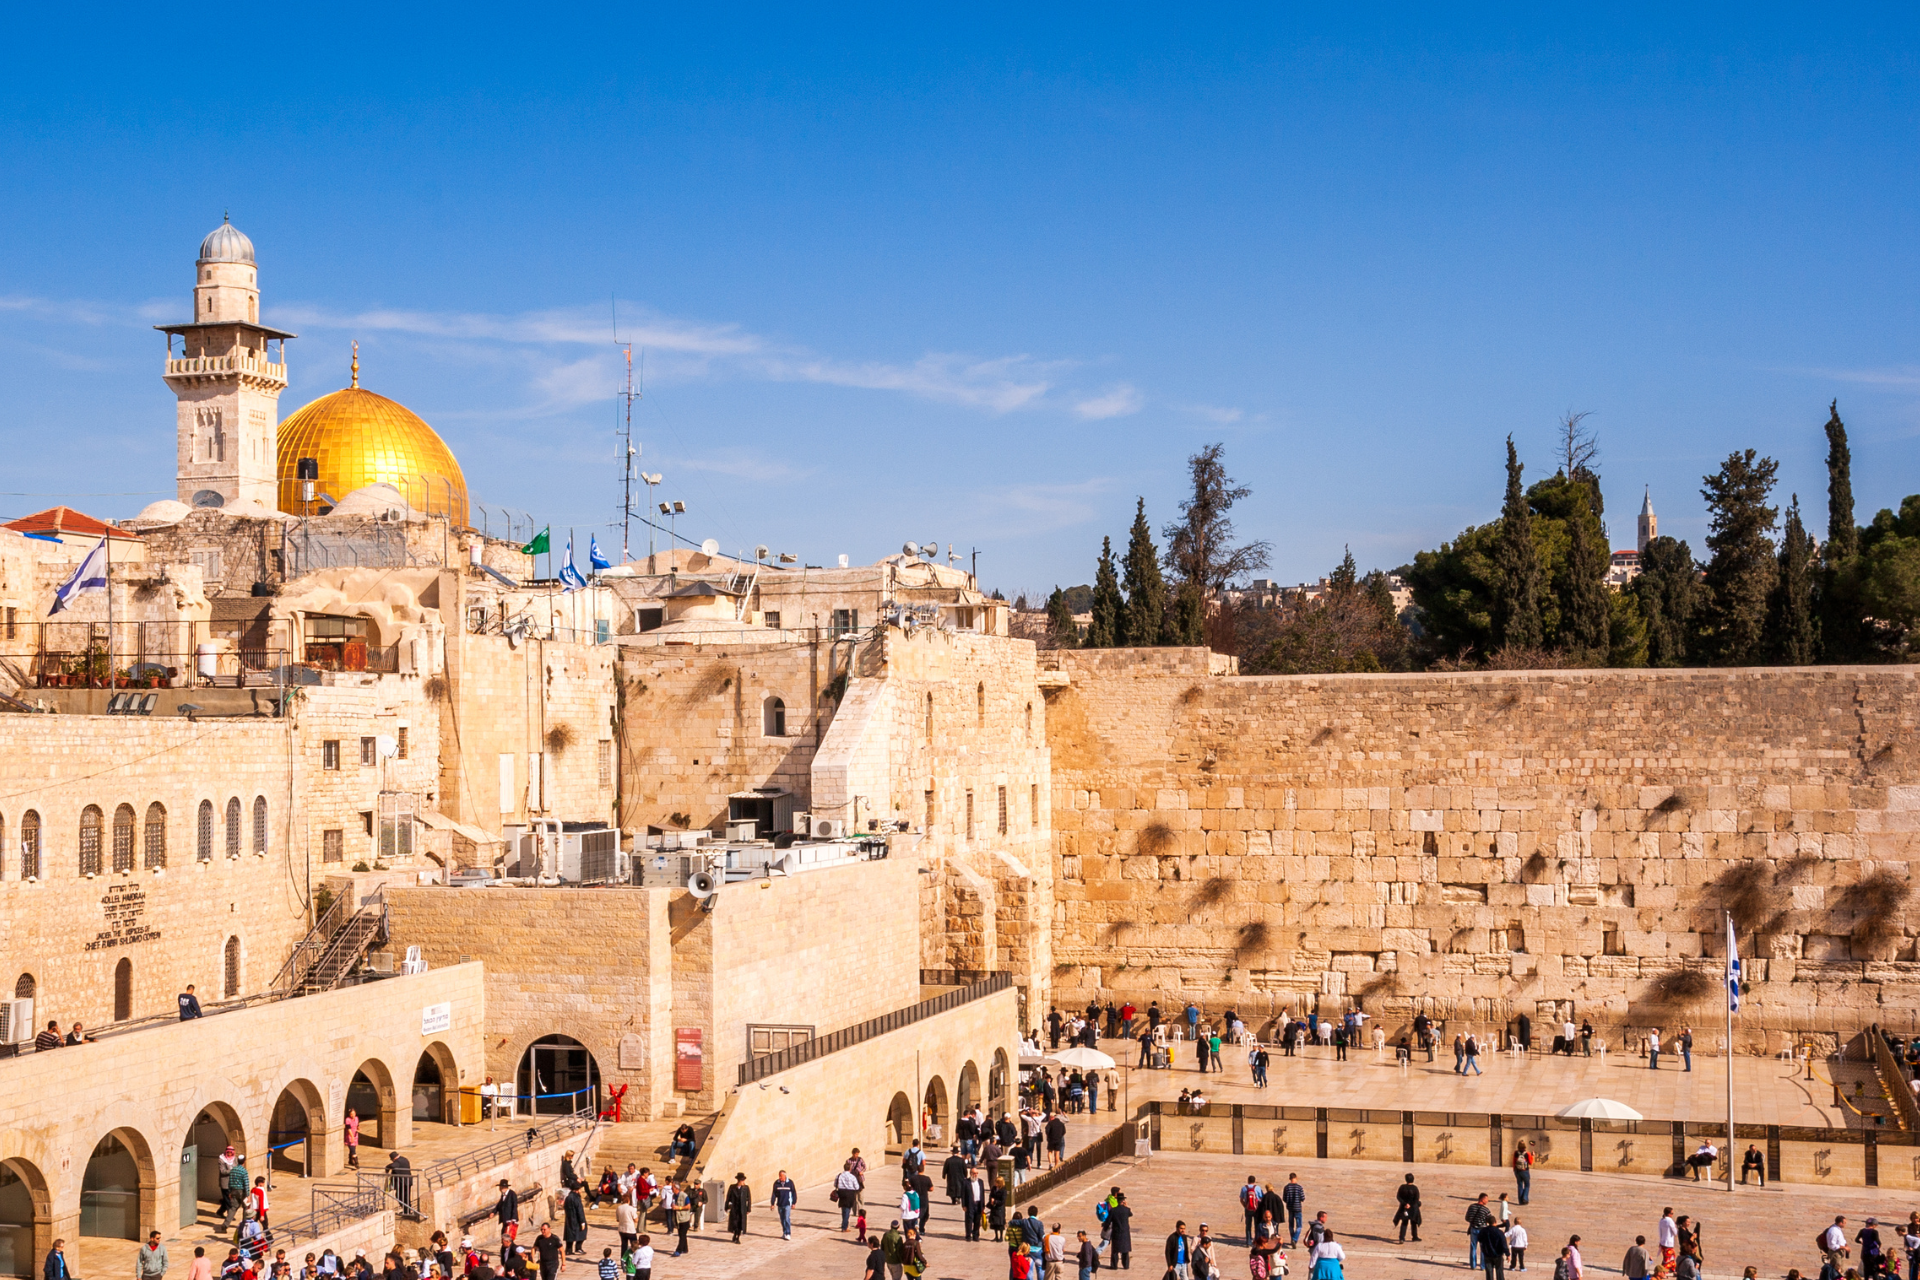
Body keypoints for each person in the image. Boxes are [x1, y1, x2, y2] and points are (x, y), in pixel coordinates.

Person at [1106, 1192, 1134, 1271]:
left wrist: (1105, 1228)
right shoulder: (1126, 1210)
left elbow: (1108, 1221)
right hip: (1125, 1233)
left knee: (1115, 1250)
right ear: (1123, 1201)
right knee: (1125, 1250)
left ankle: (1114, 1265)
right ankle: (1126, 1265)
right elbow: (1130, 1214)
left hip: (1116, 1232)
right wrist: (1126, 1206)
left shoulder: (1113, 1210)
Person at [1466, 1194, 1495, 1271]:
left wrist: (1474, 1222)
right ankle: (1482, 1266)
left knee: (1473, 1246)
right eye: (1487, 1199)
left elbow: (1467, 1218)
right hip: (1482, 1230)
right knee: (1483, 1248)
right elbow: (1490, 1220)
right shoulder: (1486, 1210)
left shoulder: (1471, 1207)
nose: (1487, 1201)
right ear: (1482, 1199)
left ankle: (1473, 1265)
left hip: (1473, 1228)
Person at [835, 1161, 864, 1233]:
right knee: (847, 1210)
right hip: (850, 1193)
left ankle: (844, 1224)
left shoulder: (839, 1175)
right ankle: (844, 1227)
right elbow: (857, 1187)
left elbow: (835, 1184)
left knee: (843, 1209)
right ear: (850, 1169)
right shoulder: (852, 1177)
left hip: (841, 1192)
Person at [722, 1173, 751, 1245]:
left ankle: (738, 1237)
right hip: (734, 1208)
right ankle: (735, 1234)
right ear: (739, 1181)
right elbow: (728, 1197)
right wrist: (726, 1206)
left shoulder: (746, 1188)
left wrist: (748, 1209)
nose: (743, 1182)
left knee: (740, 1223)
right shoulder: (732, 1187)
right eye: (742, 1180)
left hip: (742, 1209)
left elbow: (749, 1199)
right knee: (734, 1223)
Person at [1394, 1174, 1422, 1243]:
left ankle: (1402, 1238)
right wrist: (1410, 1205)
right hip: (1413, 1208)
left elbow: (1398, 1197)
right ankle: (1414, 1237)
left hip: (1404, 1208)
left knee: (1404, 1223)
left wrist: (1405, 1204)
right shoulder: (1415, 1188)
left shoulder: (1402, 1187)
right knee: (1413, 1223)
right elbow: (1416, 1199)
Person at [769, 1169, 795, 1241]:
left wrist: (793, 1203)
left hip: (787, 1204)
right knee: (782, 1219)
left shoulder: (790, 1183)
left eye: (781, 1176)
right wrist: (772, 1203)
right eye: (779, 1176)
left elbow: (793, 1193)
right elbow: (774, 1194)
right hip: (780, 1204)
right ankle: (784, 1232)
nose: (780, 1177)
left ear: (785, 1176)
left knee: (787, 1218)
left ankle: (788, 1233)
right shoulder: (776, 1183)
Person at [1282, 1174, 1306, 1247]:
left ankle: (1292, 1238)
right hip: (1297, 1208)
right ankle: (1294, 1239)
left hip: (1290, 1208)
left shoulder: (1286, 1187)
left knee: (1291, 1225)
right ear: (1296, 1178)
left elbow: (1284, 1198)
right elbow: (1302, 1198)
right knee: (1299, 1226)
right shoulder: (1299, 1187)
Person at [562, 1186, 586, 1258]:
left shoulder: (568, 1197)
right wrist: (582, 1221)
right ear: (577, 1190)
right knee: (582, 1232)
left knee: (570, 1234)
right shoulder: (576, 1198)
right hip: (576, 1219)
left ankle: (568, 1249)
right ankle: (578, 1248)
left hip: (569, 1219)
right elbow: (579, 1210)